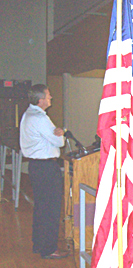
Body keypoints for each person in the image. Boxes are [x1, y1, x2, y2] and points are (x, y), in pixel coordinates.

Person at [20, 84, 69, 259]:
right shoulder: (40, 118)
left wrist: (56, 133)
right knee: (51, 209)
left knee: (41, 208)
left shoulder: (28, 115)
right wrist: (60, 132)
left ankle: (40, 244)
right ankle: (49, 249)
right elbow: (59, 143)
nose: (51, 98)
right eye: (48, 96)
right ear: (41, 100)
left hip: (36, 167)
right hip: (46, 168)